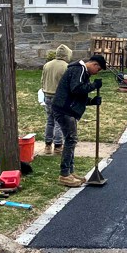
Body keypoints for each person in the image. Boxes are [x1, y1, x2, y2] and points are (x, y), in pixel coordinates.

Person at [51, 54, 107, 187]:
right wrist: (94, 86)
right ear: (94, 64)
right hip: (64, 110)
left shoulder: (82, 72)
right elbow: (76, 89)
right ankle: (65, 174)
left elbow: (77, 97)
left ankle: (70, 172)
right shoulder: (79, 70)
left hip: (66, 109)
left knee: (71, 140)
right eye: (98, 70)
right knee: (71, 140)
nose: (96, 73)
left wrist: (91, 101)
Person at [41, 44, 72, 155]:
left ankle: (47, 145)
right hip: (59, 97)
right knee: (59, 122)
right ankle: (58, 146)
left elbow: (42, 79)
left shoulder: (47, 65)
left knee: (50, 121)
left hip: (47, 95)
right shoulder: (66, 67)